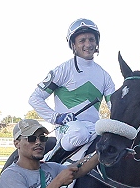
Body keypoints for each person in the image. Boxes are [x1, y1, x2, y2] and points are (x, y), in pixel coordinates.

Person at [28, 18, 115, 156]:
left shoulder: (105, 76)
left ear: (97, 42)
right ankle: (51, 158)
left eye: (91, 39)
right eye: (82, 40)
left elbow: (114, 107)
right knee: (80, 133)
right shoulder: (62, 70)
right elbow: (35, 98)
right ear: (73, 45)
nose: (88, 44)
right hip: (68, 129)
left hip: (93, 129)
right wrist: (56, 117)